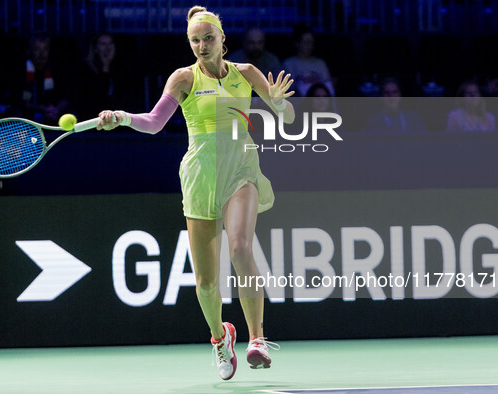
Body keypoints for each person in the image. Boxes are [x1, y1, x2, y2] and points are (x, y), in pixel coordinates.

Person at [97, 6, 294, 381]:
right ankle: (221, 338)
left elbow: (287, 118)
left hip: (241, 169)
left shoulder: (247, 74)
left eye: (208, 38)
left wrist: (281, 102)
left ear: (223, 39)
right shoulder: (183, 78)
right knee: (206, 282)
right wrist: (121, 117)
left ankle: (257, 339)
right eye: (195, 40)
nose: (202, 46)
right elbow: (155, 123)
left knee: (240, 248)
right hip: (201, 175)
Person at [77, 32, 141, 119]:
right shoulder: (85, 69)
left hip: (118, 119)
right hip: (93, 118)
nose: (108, 47)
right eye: (103, 44)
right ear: (95, 48)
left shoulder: (122, 68)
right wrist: (105, 67)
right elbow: (98, 96)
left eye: (110, 43)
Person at [282, 24, 333, 97]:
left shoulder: (320, 63)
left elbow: (327, 87)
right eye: (306, 42)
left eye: (311, 42)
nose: (310, 46)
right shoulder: (288, 64)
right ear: (297, 43)